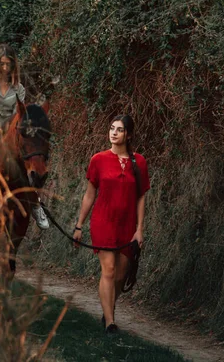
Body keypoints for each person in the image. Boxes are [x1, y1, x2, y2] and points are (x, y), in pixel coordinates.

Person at [73, 115, 150, 334]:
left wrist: (139, 229)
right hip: (103, 221)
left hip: (127, 225)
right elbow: (89, 195)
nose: (114, 132)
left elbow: (141, 197)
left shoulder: (139, 162)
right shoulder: (98, 159)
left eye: (120, 129)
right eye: (111, 128)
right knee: (108, 270)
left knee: (120, 276)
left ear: (129, 134)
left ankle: (109, 310)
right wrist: (79, 225)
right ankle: (110, 322)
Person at [0, 44, 49, 230]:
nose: (5, 68)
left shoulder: (18, 88)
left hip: (10, 128)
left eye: (9, 64)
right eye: (2, 64)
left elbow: (17, 114)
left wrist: (9, 128)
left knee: (25, 157)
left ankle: (35, 203)